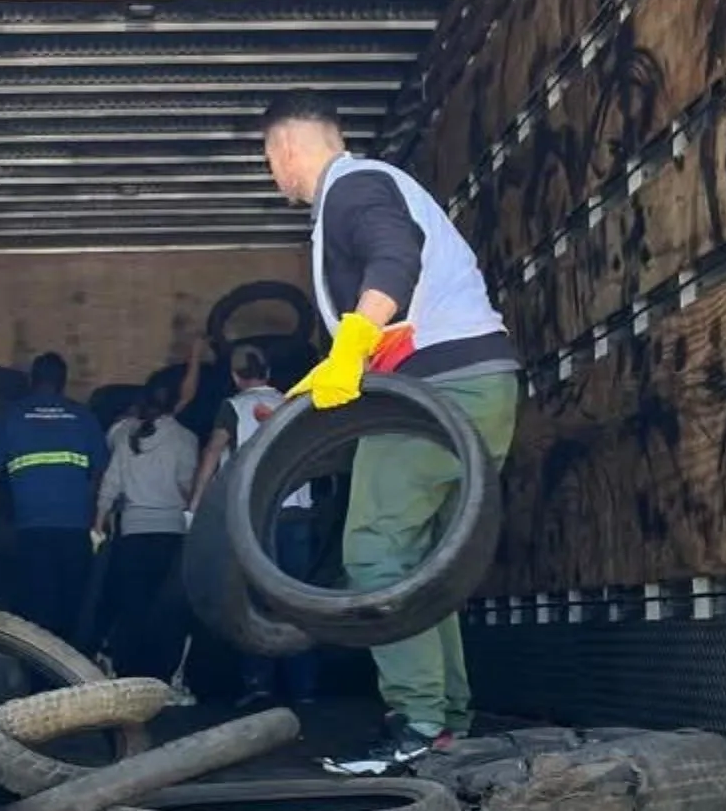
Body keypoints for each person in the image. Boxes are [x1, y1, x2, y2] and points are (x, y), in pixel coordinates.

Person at [260, 90, 521, 769]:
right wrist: (328, 378)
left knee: (376, 552)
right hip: (477, 387)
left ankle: (417, 722)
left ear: (285, 147)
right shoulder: (369, 188)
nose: (272, 173)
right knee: (426, 568)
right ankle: (447, 723)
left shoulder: (355, 188)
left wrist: (349, 350)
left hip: (437, 395)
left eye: (267, 158)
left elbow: (393, 263)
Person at [188, 343, 321, 708]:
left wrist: (196, 505)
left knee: (252, 604)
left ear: (235, 375)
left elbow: (213, 453)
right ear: (268, 371)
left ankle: (259, 685)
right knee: (298, 602)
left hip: (254, 516)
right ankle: (304, 688)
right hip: (296, 513)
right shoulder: (295, 404)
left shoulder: (234, 407)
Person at [0, 352, 110, 643]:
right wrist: (89, 508)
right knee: (71, 608)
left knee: (36, 610)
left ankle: (37, 676)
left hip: (31, 529)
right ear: (63, 383)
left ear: (33, 381)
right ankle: (74, 675)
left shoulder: (11, 416)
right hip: (74, 530)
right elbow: (100, 473)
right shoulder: (84, 417)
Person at [92, 376, 199, 691]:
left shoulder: (125, 435)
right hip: (171, 533)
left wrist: (99, 522)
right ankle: (162, 680)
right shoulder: (186, 438)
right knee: (167, 611)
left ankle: (129, 678)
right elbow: (186, 487)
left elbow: (111, 483)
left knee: (132, 607)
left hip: (133, 533)